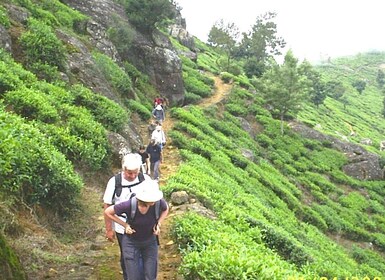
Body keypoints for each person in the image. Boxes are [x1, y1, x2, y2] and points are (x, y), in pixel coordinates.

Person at [105, 180, 169, 280]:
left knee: (150, 275)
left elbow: (166, 209)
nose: (153, 201)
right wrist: (125, 225)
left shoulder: (158, 203)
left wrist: (158, 224)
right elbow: (108, 212)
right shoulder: (129, 205)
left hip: (150, 242)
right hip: (131, 243)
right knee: (133, 276)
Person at [103, 153, 151, 280]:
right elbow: (107, 205)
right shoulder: (114, 182)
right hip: (121, 227)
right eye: (129, 173)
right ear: (123, 169)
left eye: (135, 172)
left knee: (142, 255)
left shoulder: (145, 179)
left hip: (143, 225)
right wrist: (109, 229)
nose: (133, 176)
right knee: (128, 256)